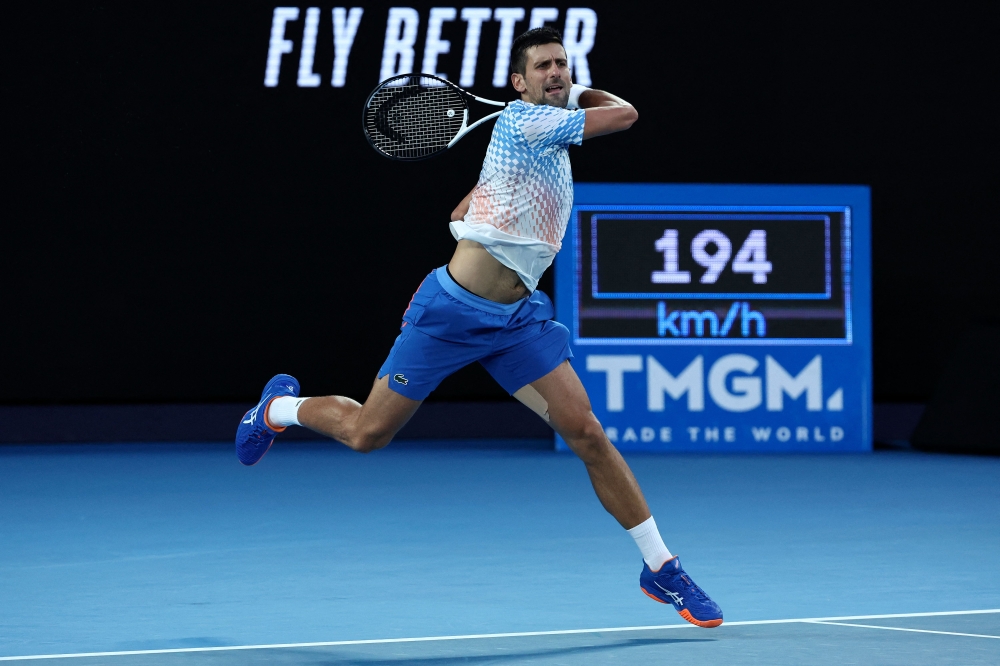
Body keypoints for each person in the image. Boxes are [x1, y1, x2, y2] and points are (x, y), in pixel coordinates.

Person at [236, 27, 722, 628]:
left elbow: (462, 209)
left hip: (518, 323)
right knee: (367, 434)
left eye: (563, 66)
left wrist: (485, 201)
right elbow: (625, 115)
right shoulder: (525, 123)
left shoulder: (536, 146)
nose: (557, 73)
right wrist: (575, 96)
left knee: (589, 434)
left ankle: (661, 566)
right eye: (543, 66)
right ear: (517, 82)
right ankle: (278, 409)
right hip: (449, 315)